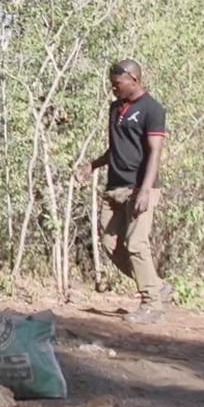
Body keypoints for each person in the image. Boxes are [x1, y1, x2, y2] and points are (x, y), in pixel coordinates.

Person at [78, 60, 171, 323]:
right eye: (112, 84)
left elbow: (155, 152)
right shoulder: (115, 108)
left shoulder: (152, 110)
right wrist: (93, 166)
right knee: (109, 243)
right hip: (115, 186)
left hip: (140, 187)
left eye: (117, 84)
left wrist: (145, 190)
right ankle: (157, 286)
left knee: (136, 244)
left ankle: (152, 305)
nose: (113, 88)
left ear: (134, 79)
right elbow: (117, 148)